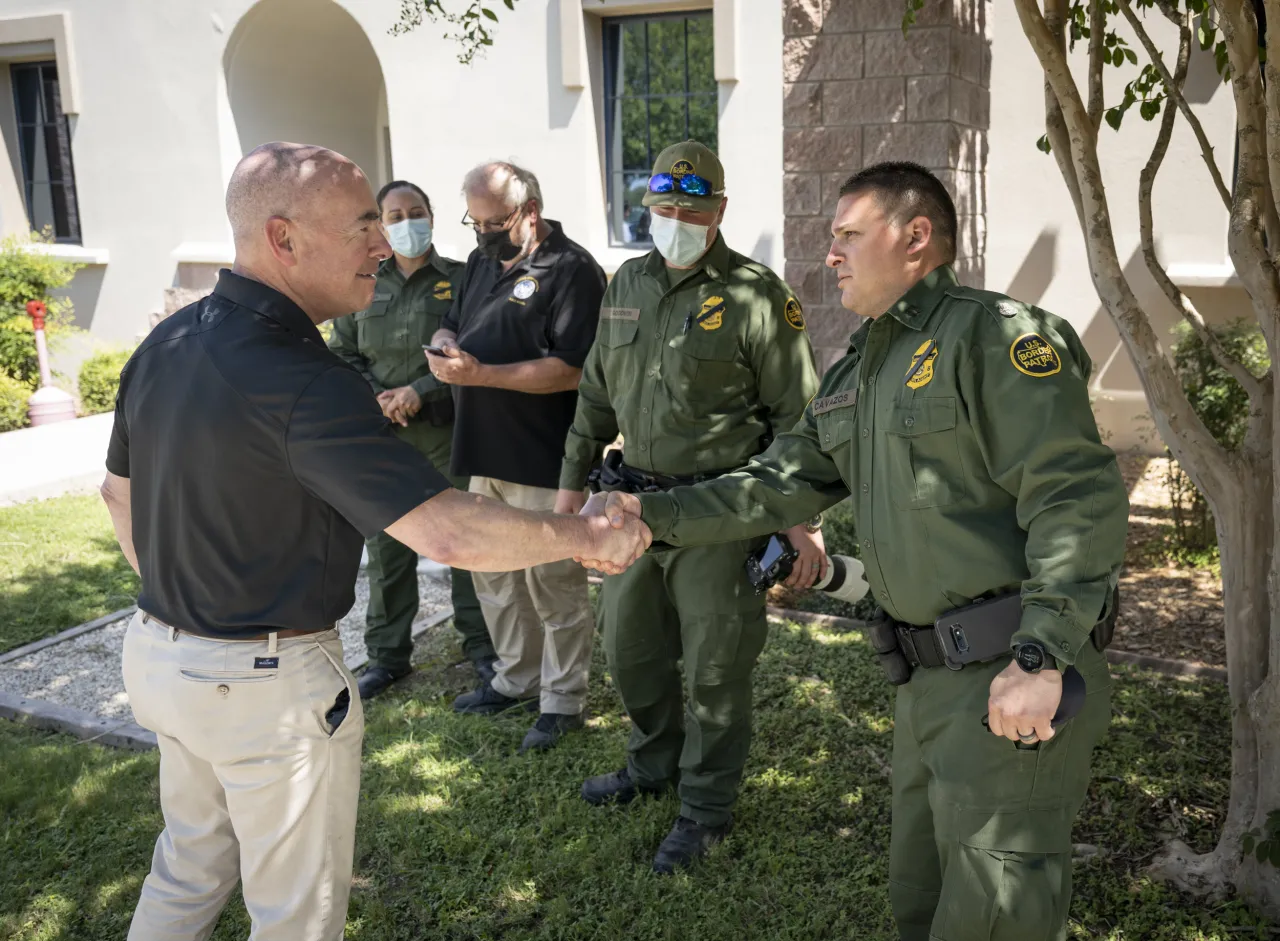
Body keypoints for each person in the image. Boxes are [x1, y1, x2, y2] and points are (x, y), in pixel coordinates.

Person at [101, 142, 649, 941]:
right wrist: (585, 535)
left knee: (187, 867)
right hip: (261, 687)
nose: (383, 245)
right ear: (284, 238)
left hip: (160, 656)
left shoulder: (169, 341)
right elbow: (447, 530)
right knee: (296, 917)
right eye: (363, 224)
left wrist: (186, 614)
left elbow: (117, 493)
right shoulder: (303, 377)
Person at [583, 161, 1127, 937]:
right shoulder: (857, 369)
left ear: (915, 239)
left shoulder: (996, 337)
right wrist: (648, 510)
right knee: (919, 902)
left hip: (1010, 676)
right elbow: (771, 486)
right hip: (927, 685)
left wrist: (1040, 657)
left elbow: (1074, 497)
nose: (829, 254)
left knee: (994, 914)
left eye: (846, 235)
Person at [555, 140, 822, 873]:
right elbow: (594, 398)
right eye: (664, 208)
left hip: (720, 512)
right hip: (628, 509)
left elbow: (799, 418)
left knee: (714, 669)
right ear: (648, 208)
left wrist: (797, 522)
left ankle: (704, 806)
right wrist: (568, 493)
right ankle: (652, 765)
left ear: (720, 212)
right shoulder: (625, 285)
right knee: (630, 650)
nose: (675, 221)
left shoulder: (756, 295)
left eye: (692, 210)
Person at [427, 161, 606, 753]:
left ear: (529, 212)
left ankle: (562, 700)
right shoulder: (481, 261)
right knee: (494, 575)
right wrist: (447, 345)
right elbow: (453, 322)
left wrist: (482, 375)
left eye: (494, 221)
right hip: (482, 449)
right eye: (473, 221)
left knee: (553, 580)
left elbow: (572, 369)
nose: (482, 233)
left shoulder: (572, 270)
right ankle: (516, 679)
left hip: (542, 455)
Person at [328, 179, 495, 698]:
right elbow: (343, 354)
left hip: (450, 435)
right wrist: (379, 396)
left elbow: (477, 343)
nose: (406, 223)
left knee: (465, 542)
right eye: (394, 215)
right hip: (386, 439)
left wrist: (421, 389)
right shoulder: (362, 282)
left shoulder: (464, 279)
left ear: (432, 215)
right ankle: (387, 656)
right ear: (379, 224)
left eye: (415, 211)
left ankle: (482, 648)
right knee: (388, 549)